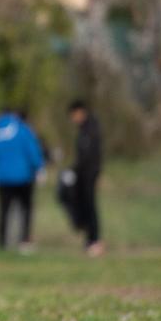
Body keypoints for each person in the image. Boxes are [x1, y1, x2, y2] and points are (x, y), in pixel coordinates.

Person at [0, 106, 46, 251]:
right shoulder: (22, 128)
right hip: (24, 176)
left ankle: (2, 241)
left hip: (2, 177)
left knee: (4, 209)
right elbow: (32, 149)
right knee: (26, 209)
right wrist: (39, 167)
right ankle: (24, 240)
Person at [63, 99, 105, 256]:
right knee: (86, 206)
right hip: (83, 174)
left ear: (79, 111)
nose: (73, 119)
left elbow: (90, 156)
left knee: (90, 207)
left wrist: (78, 170)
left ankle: (94, 240)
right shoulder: (84, 129)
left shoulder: (91, 128)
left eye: (73, 115)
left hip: (89, 174)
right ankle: (90, 239)